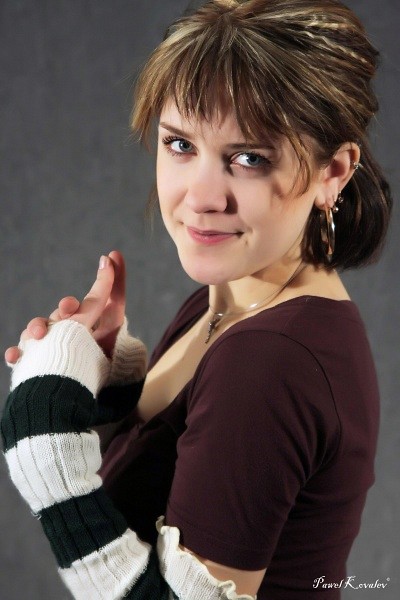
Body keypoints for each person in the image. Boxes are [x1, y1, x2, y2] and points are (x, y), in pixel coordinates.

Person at [1, 0, 392, 598]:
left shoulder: (269, 361)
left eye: (249, 158)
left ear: (332, 173)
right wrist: (99, 386)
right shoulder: (228, 301)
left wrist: (46, 453)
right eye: (180, 145)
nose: (202, 197)